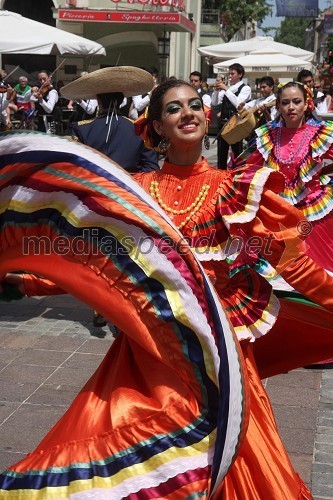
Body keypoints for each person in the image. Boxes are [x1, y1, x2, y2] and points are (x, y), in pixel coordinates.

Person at [3, 79, 333, 498]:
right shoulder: (138, 191)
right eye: (175, 109)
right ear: (157, 126)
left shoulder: (235, 189)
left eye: (195, 105)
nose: (189, 113)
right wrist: (30, 282)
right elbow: (100, 261)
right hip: (153, 342)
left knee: (233, 444)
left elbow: (294, 264)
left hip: (221, 342)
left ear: (207, 116)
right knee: (125, 437)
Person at [237, 81, 333, 274]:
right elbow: (242, 166)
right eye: (285, 102)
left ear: (306, 104)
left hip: (314, 210)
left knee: (321, 272)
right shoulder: (268, 135)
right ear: (278, 106)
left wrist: (322, 174)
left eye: (296, 102)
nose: (291, 107)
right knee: (279, 274)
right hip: (278, 213)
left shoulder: (320, 133)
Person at [60, 66, 159, 174]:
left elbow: (75, 168)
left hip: (94, 188)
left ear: (98, 100)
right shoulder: (140, 128)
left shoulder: (81, 128)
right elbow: (151, 169)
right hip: (129, 189)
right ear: (121, 101)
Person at [211, 63, 251, 169]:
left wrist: (226, 90)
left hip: (236, 125)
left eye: (232, 73)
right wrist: (216, 91)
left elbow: (238, 104)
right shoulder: (228, 89)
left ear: (240, 74)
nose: (229, 76)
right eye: (229, 73)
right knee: (221, 155)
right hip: (223, 125)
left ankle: (238, 177)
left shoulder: (245, 88)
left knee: (237, 154)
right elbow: (214, 103)